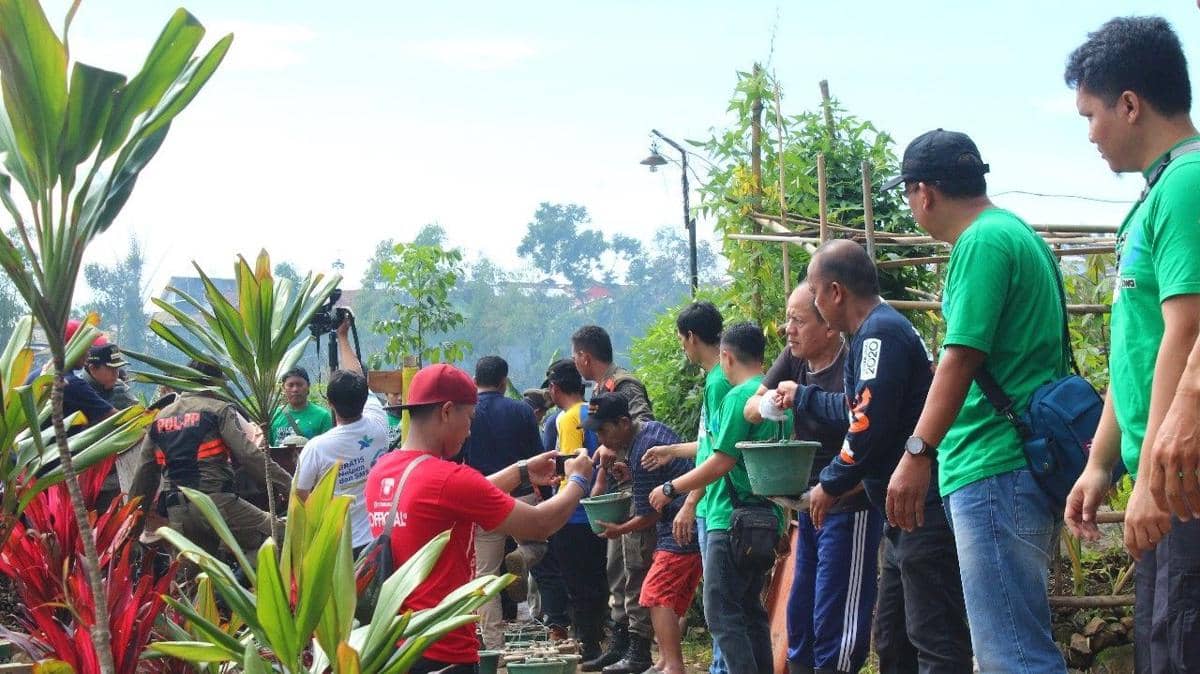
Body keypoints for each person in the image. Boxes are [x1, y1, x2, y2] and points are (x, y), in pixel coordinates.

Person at [876, 130, 1068, 673]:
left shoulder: (979, 243)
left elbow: (960, 358)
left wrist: (917, 451)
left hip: (991, 465)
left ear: (924, 193)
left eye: (909, 195)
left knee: (1011, 653)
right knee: (1017, 641)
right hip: (1020, 462)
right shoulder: (1016, 233)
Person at [1062, 16, 1200, 673]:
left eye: (1091, 114)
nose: (1090, 133)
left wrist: (1150, 481)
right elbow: (1134, 352)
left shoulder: (1189, 185)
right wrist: (1102, 462)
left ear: (1129, 104)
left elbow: (1189, 329)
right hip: (1163, 480)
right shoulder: (1154, 199)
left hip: (1185, 483)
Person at [791, 240, 972, 674]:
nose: (814, 304)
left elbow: (866, 427)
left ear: (835, 292)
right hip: (899, 512)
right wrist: (805, 397)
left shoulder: (879, 334)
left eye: (814, 293)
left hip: (921, 509)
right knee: (892, 637)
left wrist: (829, 483)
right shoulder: (871, 336)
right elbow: (860, 409)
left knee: (935, 636)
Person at [363, 363, 595, 674]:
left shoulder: (383, 470)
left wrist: (522, 471)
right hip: (444, 649)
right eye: (469, 418)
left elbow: (457, 498)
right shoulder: (448, 478)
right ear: (446, 412)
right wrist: (578, 481)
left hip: (393, 646)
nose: (470, 430)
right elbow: (541, 523)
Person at [746, 283, 879, 674]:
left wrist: (801, 395)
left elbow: (864, 420)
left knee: (835, 610)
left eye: (799, 320)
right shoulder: (793, 358)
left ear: (829, 328)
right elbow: (753, 406)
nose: (789, 329)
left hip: (848, 501)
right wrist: (773, 402)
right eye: (788, 318)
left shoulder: (852, 363)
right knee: (801, 605)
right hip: (808, 501)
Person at [649, 322, 791, 674]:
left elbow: (720, 460)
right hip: (766, 519)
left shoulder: (737, 397)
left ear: (726, 357)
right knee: (750, 611)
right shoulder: (776, 399)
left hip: (730, 520)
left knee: (722, 613)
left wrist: (672, 489)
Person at [640, 301, 731, 674]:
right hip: (711, 504)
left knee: (723, 607)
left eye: (681, 339)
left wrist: (686, 497)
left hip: (718, 503)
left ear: (692, 337)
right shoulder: (715, 380)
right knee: (719, 605)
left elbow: (723, 454)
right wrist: (672, 450)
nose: (682, 347)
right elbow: (710, 443)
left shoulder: (721, 381)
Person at [128, 359, 292, 558]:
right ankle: (249, 583)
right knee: (282, 536)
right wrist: (290, 487)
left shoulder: (160, 417)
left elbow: (144, 476)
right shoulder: (218, 409)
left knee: (192, 578)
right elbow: (249, 456)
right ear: (214, 382)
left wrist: (131, 531)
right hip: (217, 503)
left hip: (178, 509)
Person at [588, 394, 695, 674]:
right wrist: (631, 474)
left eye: (603, 430)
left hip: (681, 527)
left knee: (656, 593)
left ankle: (673, 665)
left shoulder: (643, 448)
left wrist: (619, 529)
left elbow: (650, 514)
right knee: (664, 597)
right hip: (682, 525)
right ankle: (664, 660)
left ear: (624, 422)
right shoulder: (649, 432)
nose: (600, 439)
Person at [458, 355, 544, 650]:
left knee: (485, 575)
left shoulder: (466, 414)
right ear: (504, 382)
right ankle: (526, 555)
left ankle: (494, 645)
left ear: (474, 381)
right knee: (540, 545)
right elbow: (537, 455)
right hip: (520, 494)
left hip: (482, 497)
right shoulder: (521, 410)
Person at [292, 316, 390, 556]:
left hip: (340, 541)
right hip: (379, 537)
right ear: (364, 398)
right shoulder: (380, 426)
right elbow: (357, 375)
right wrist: (344, 337)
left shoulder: (317, 448)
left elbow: (300, 494)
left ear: (330, 404)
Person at [544, 359, 610, 663]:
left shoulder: (567, 419)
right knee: (597, 577)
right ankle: (598, 639)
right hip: (600, 509)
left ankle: (588, 644)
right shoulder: (594, 408)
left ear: (555, 388)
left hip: (573, 514)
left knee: (576, 581)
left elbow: (571, 466)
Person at [571, 325, 654, 422]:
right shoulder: (598, 389)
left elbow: (645, 425)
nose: (575, 364)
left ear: (585, 358)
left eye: (574, 358)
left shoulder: (624, 385)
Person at [269, 366, 333, 446]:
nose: (295, 389)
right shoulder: (273, 416)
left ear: (308, 386)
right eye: (290, 385)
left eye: (299, 385)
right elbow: (267, 449)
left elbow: (328, 449)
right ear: (283, 388)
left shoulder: (322, 416)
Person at [81, 343, 138, 410]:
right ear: (93, 368)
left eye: (117, 368)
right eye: (111, 368)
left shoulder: (121, 388)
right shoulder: (77, 390)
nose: (116, 374)